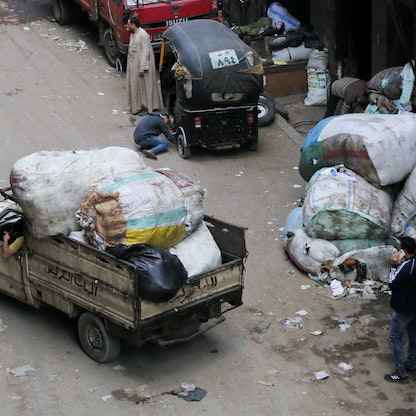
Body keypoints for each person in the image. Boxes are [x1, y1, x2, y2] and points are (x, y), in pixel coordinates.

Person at [384, 236, 416, 384]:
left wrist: (394, 265)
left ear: (403, 251)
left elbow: (392, 283)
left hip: (403, 308)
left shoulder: (406, 266)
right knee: (412, 335)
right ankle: (410, 362)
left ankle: (400, 372)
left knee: (395, 337)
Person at [125, 15, 164, 116]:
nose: (127, 27)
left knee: (145, 86)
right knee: (136, 86)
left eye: (129, 25)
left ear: (133, 25)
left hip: (142, 66)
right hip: (133, 64)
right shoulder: (133, 34)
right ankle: (138, 106)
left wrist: (142, 67)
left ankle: (148, 107)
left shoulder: (143, 35)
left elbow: (145, 52)